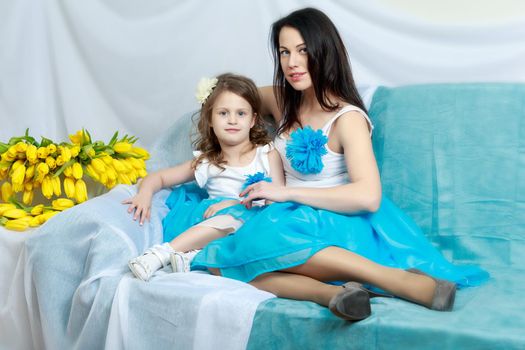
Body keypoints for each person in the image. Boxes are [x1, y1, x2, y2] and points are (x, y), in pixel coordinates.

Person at [191, 8, 488, 321]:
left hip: (337, 220)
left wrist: (287, 193)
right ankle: (336, 294)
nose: (292, 63)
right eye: (284, 52)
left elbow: (368, 196)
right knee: (222, 263)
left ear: (325, 52)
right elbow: (233, 98)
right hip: (287, 216)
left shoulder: (347, 119)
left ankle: (393, 279)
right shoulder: (282, 99)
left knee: (250, 250)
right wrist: (214, 104)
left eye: (303, 51)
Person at [123, 73, 284, 281]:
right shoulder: (207, 161)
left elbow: (276, 200)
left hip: (254, 222)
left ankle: (189, 256)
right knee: (229, 221)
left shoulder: (267, 153)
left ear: (253, 119)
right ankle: (161, 254)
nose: (232, 120)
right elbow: (160, 178)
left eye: (241, 113)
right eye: (223, 113)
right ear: (209, 120)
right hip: (213, 221)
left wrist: (234, 203)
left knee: (245, 225)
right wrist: (144, 193)